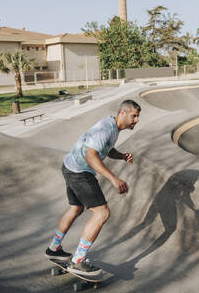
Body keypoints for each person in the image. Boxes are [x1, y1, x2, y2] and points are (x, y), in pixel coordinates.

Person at [45, 100, 141, 276]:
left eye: (138, 116)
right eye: (134, 116)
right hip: (80, 172)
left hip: (69, 166)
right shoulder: (105, 129)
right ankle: (78, 261)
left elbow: (107, 149)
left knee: (76, 208)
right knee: (102, 213)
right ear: (122, 113)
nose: (136, 120)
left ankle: (54, 248)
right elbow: (91, 156)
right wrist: (113, 178)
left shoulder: (113, 128)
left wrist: (121, 156)